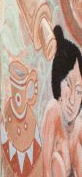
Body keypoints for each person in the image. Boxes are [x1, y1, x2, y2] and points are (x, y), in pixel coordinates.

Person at [42, 25, 82, 176]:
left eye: (79, 92)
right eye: (68, 84)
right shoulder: (54, 110)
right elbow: (46, 171)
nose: (73, 100)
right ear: (58, 80)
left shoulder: (76, 127)